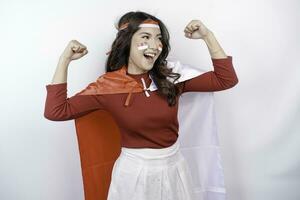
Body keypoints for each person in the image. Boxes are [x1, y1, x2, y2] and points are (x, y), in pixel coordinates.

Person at [44, 11, 238, 200]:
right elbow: (56, 111)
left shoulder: (172, 76)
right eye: (146, 37)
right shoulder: (107, 86)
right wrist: (64, 61)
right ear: (126, 42)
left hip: (175, 169)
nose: (155, 45)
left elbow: (226, 79)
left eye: (159, 38)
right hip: (133, 174)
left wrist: (207, 36)